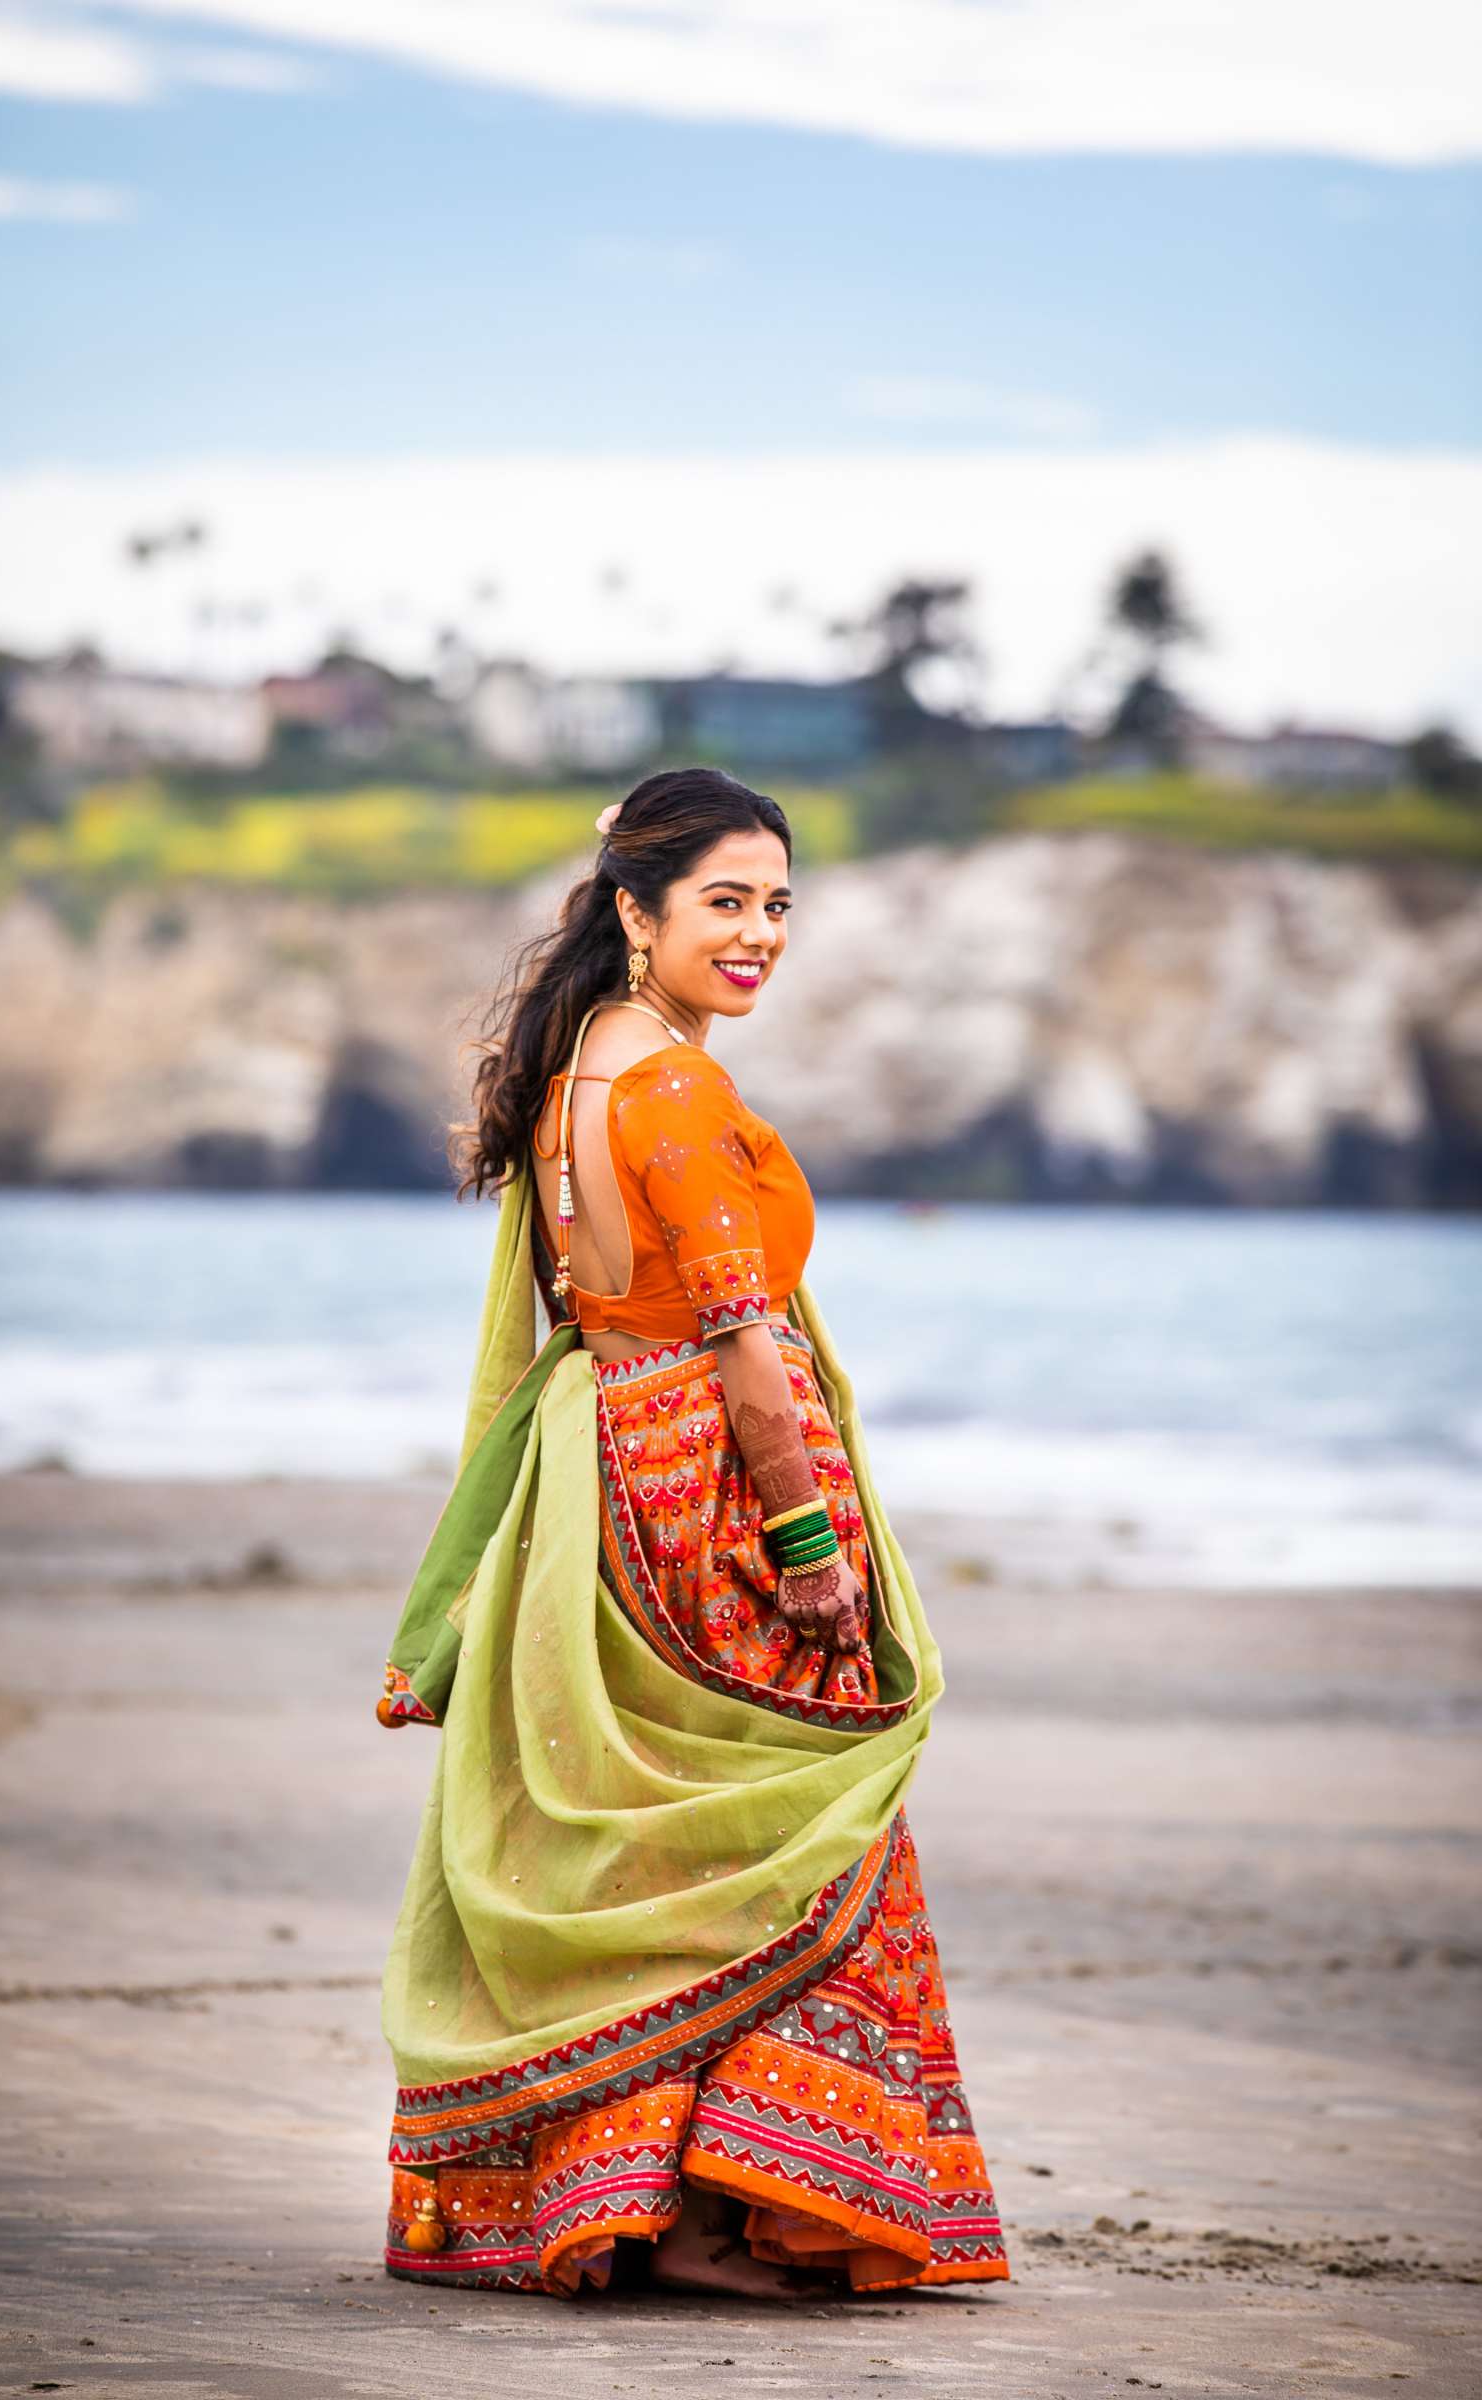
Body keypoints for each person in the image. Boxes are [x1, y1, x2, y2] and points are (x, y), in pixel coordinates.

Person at [375, 766, 1009, 2299]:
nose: (761, 934)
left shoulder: (576, 1065)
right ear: (634, 910)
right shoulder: (669, 1087)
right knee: (782, 1834)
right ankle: (736, 2210)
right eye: (725, 902)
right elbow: (740, 1342)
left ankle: (629, 2194)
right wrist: (810, 1550)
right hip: (706, 1484)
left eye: (780, 904)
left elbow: (589, 1312)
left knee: (646, 1846)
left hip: (603, 1475)